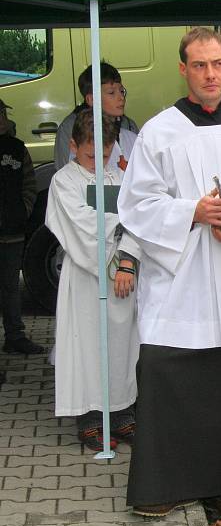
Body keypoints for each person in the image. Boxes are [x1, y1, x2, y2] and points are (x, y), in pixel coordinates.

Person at [118, 28, 221, 522]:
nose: (210, 74)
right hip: (182, 283)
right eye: (199, 65)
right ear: (183, 69)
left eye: (217, 64)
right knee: (168, 374)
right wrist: (193, 211)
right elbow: (137, 204)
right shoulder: (160, 131)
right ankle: (165, 483)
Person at [45, 110, 138, 451]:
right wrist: (120, 225)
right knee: (87, 344)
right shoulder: (64, 181)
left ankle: (122, 411)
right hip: (84, 277)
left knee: (122, 344)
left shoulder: (120, 179)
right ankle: (89, 417)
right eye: (89, 156)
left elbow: (138, 221)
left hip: (121, 277)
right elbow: (80, 226)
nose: (99, 163)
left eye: (106, 155)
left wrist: (127, 260)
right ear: (73, 146)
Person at [0, 99, 44, 358]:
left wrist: (23, 211)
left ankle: (15, 336)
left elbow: (29, 183)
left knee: (10, 287)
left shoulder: (17, 149)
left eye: (4, 112)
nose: (3, 118)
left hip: (13, 231)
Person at [54, 62, 138, 173]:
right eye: (111, 92)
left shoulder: (129, 127)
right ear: (91, 100)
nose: (121, 97)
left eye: (122, 91)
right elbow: (66, 171)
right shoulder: (71, 128)